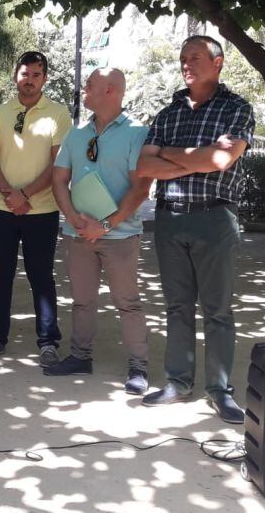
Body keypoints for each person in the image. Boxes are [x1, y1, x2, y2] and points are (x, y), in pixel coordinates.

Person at [136, 35, 254, 424]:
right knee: (177, 307)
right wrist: (197, 158)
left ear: (218, 63)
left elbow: (222, 159)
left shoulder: (236, 108)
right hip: (170, 219)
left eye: (196, 57)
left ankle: (220, 390)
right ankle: (178, 382)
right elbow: (145, 168)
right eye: (183, 57)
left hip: (214, 218)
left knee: (217, 310)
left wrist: (171, 154)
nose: (187, 63)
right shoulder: (168, 113)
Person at [47, 68, 152, 394]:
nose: (84, 88)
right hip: (78, 234)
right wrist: (74, 219)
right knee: (82, 300)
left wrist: (105, 224)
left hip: (119, 236)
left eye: (90, 84)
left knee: (128, 302)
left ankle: (138, 366)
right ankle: (80, 356)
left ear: (110, 90)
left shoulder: (138, 133)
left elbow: (140, 188)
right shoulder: (76, 134)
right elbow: (59, 180)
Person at [0, 51, 72, 366]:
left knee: (41, 276)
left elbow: (58, 163)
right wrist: (9, 194)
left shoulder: (58, 114)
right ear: (16, 76)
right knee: (0, 274)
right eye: (25, 74)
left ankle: (48, 341)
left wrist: (24, 194)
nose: (30, 81)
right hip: (0, 209)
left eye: (36, 75)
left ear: (45, 78)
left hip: (41, 211)